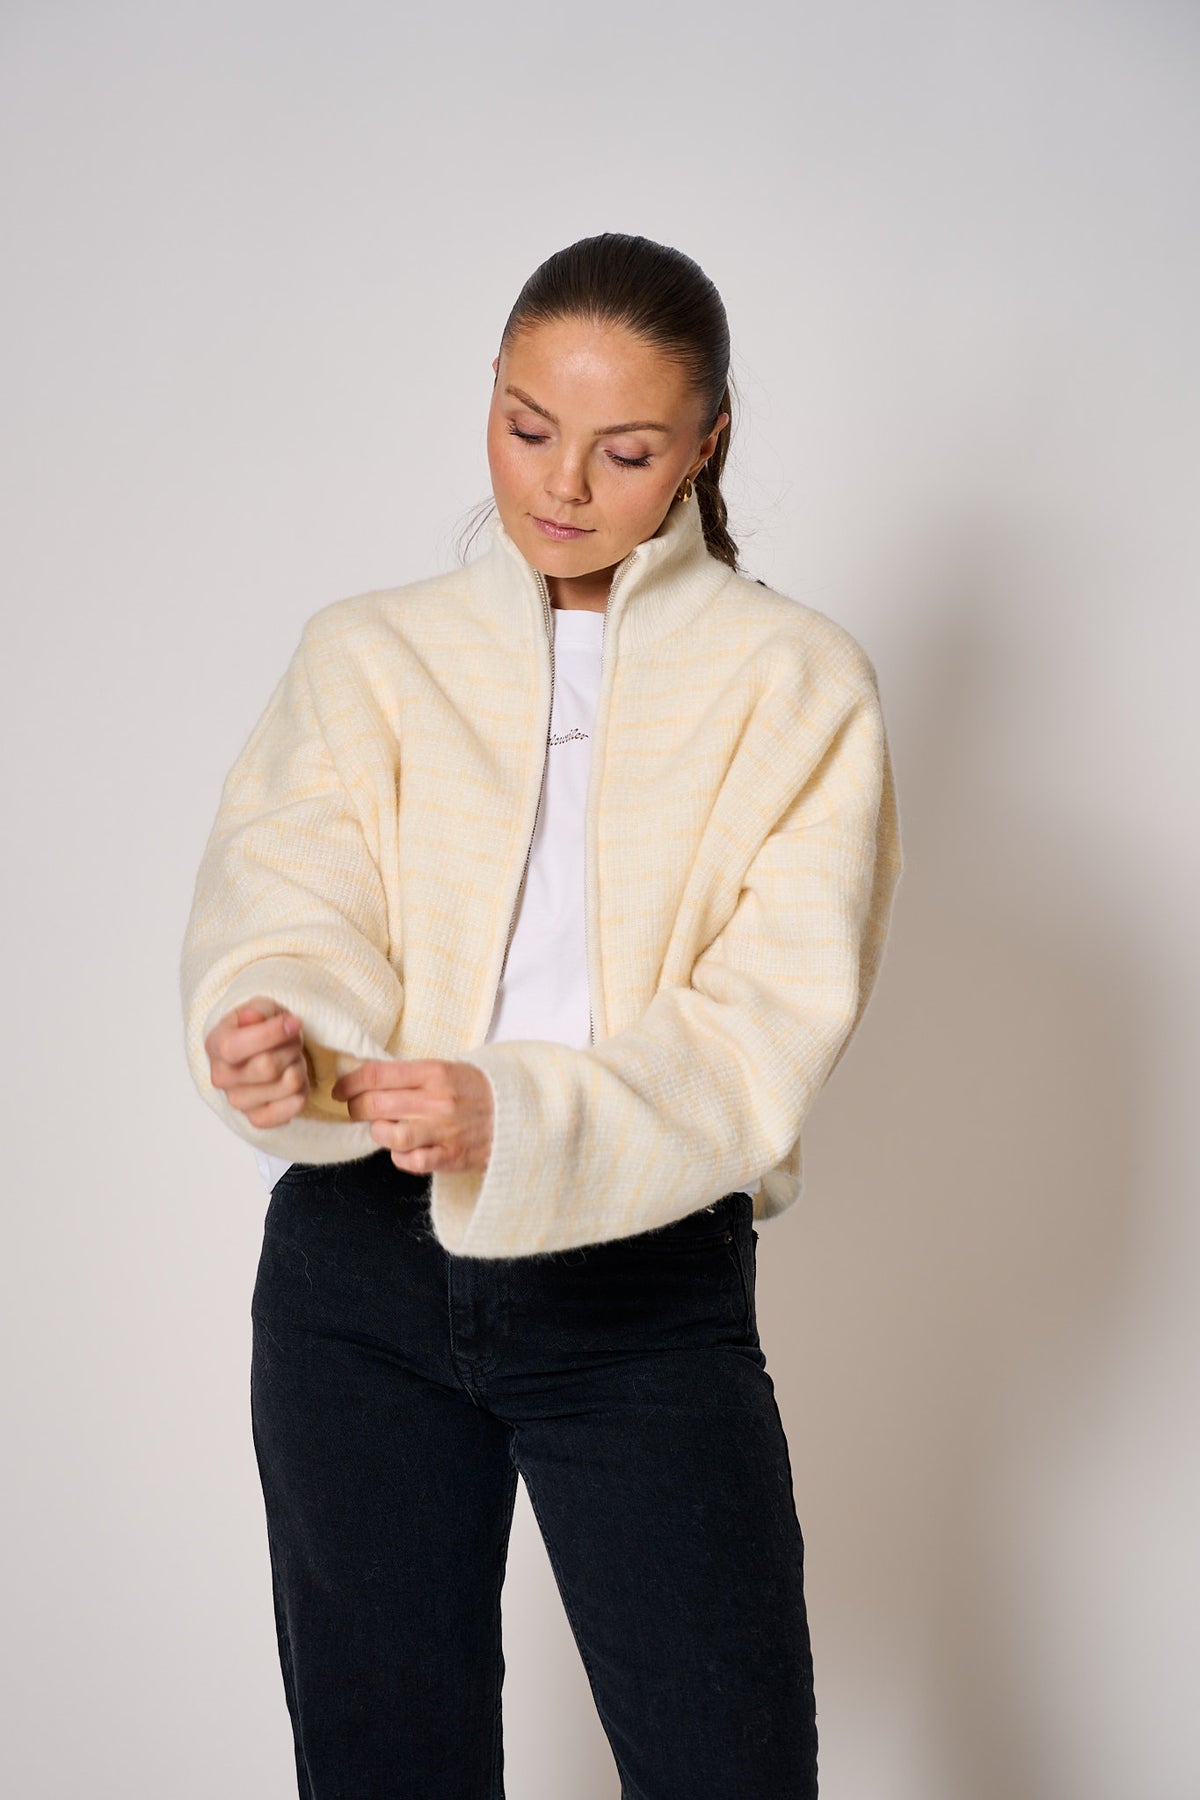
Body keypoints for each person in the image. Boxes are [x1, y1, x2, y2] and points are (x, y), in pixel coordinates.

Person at [179, 230, 903, 1799]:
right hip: (357, 1273)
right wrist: (281, 1027)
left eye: (625, 450)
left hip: (640, 1281)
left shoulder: (795, 686)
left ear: (705, 445)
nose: (562, 485)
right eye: (526, 427)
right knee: (384, 1769)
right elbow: (294, 895)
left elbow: (765, 1024)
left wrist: (521, 1113)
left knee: (726, 1764)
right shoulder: (371, 654)